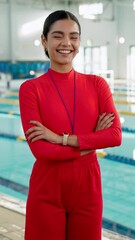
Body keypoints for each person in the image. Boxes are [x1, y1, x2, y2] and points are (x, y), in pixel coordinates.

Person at [19, 10, 122, 240]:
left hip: (88, 190)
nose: (66, 43)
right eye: (57, 36)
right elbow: (41, 150)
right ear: (44, 40)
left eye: (74, 37)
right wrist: (92, 141)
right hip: (47, 189)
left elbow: (115, 135)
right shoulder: (30, 89)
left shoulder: (97, 85)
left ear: (79, 42)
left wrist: (59, 138)